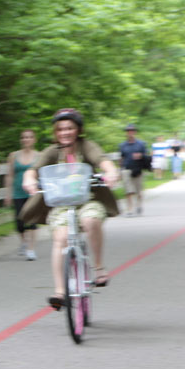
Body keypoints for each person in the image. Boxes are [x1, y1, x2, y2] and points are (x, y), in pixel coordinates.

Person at [21, 109, 119, 310]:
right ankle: (60, 291)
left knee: (91, 221)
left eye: (70, 128)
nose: (65, 132)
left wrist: (110, 172)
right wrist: (29, 180)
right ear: (56, 132)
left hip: (87, 199)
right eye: (61, 129)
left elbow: (102, 160)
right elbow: (33, 170)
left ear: (78, 130)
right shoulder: (52, 152)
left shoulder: (87, 146)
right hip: (60, 204)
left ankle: (99, 268)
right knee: (60, 238)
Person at [4, 129, 38, 260]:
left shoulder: (39, 156)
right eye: (24, 137)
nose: (26, 140)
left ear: (34, 140)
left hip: (32, 192)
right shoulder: (13, 156)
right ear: (21, 140)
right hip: (18, 192)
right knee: (19, 222)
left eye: (29, 137)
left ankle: (31, 249)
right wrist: (8, 193)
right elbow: (10, 175)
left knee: (32, 220)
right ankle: (24, 242)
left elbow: (41, 173)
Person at [118, 123, 149, 216]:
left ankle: (138, 205)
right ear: (126, 133)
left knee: (138, 190)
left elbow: (147, 157)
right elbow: (121, 158)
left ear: (135, 132)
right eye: (128, 131)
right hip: (126, 169)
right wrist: (120, 169)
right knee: (128, 190)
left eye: (131, 130)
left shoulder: (141, 144)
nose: (130, 132)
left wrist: (141, 155)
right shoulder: (122, 145)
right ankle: (129, 209)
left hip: (138, 169)